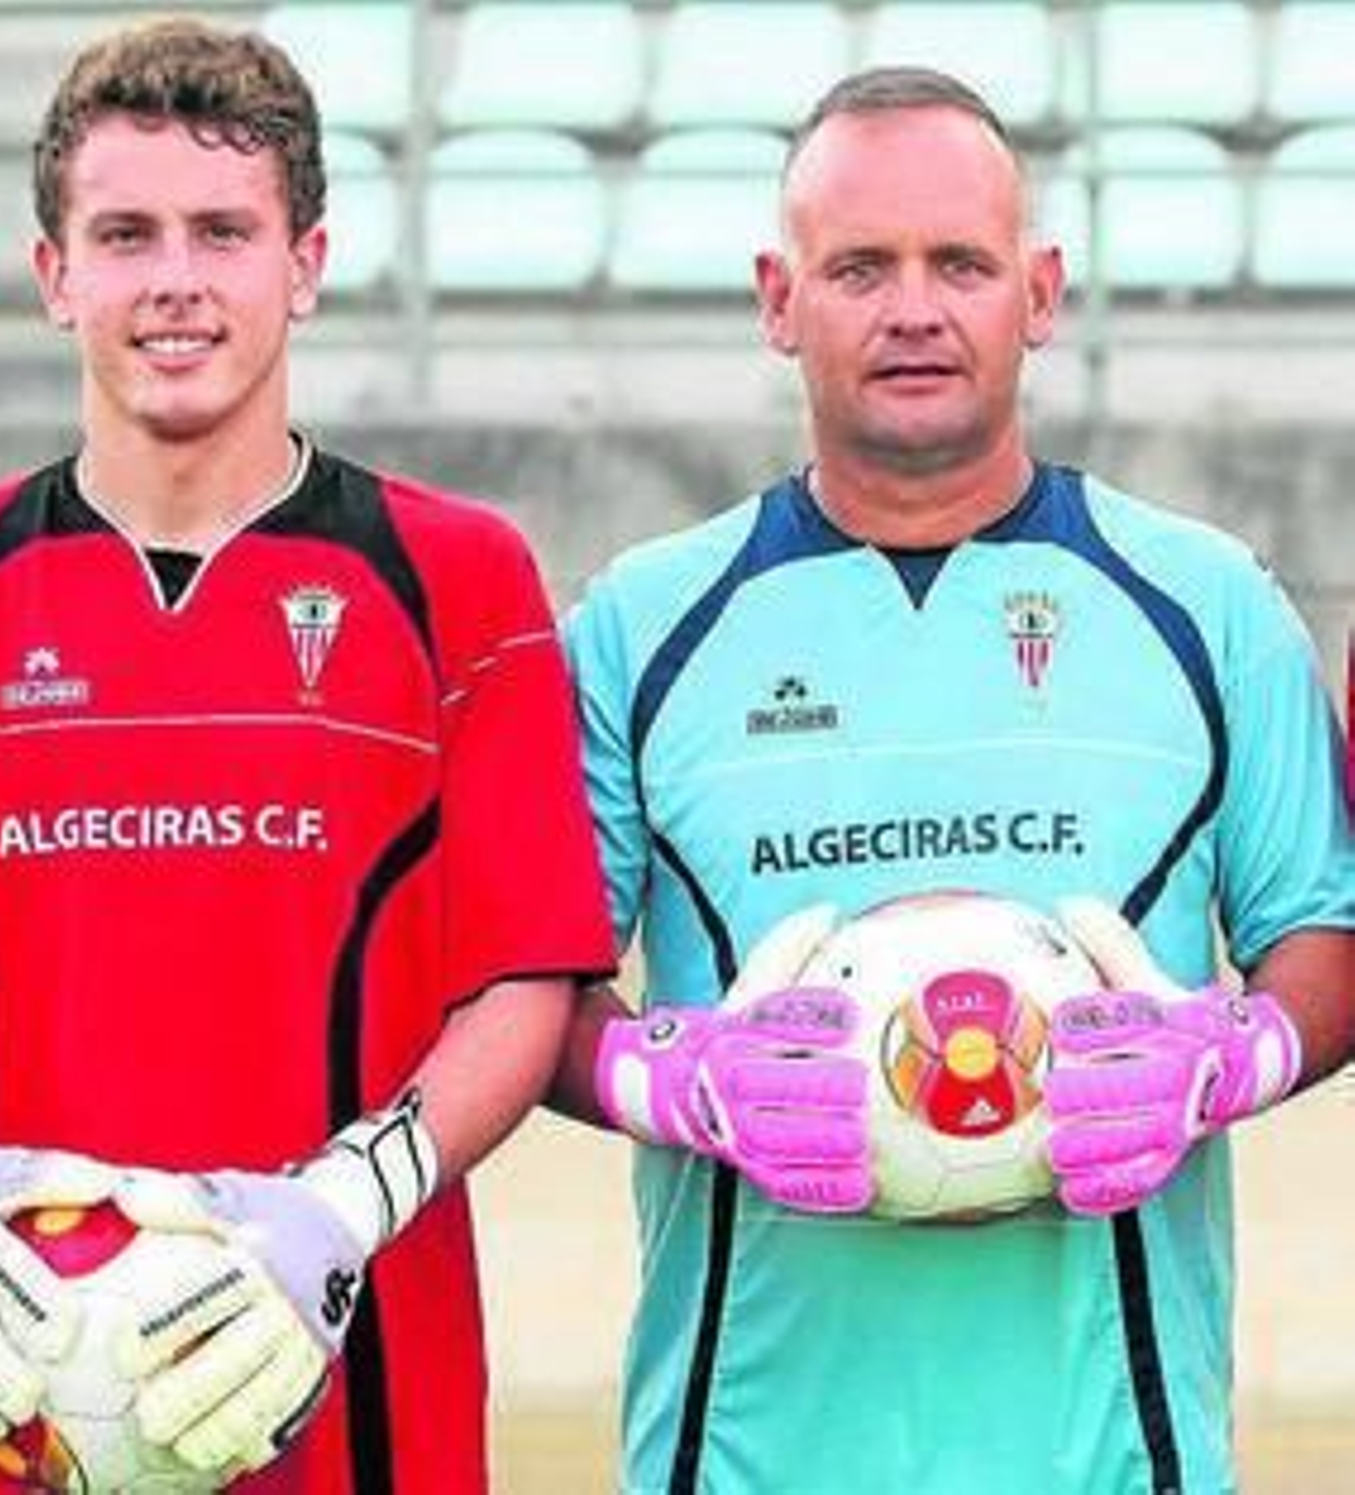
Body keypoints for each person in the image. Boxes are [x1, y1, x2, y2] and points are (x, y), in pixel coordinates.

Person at [0, 19, 615, 1494]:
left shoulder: (462, 582)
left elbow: (522, 990)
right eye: (126, 236)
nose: (176, 279)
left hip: (357, 1417)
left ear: (306, 264)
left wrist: (337, 1215)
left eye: (224, 232)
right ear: (55, 275)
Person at [556, 67, 1354, 1494]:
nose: (913, 309)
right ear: (778, 299)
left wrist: (1234, 1053)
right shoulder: (637, 626)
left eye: (962, 265)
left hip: (1120, 1462)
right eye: (860, 267)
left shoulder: (1210, 604)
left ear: (1039, 294)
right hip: (741, 1458)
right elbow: (521, 991)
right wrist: (673, 1077)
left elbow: (1326, 939)